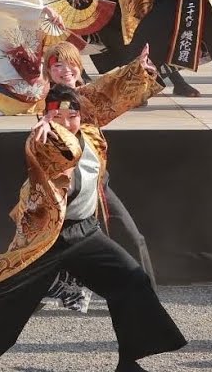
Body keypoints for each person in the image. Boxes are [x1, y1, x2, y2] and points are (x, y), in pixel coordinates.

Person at [0, 85, 185, 372]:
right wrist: (43, 133)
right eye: (57, 115)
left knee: (131, 280)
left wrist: (140, 73)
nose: (65, 121)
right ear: (45, 116)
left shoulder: (90, 133)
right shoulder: (43, 141)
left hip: (85, 233)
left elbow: (106, 95)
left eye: (71, 115)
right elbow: (50, 157)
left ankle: (129, 362)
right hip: (45, 238)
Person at [37, 41, 161, 313]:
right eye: (57, 65)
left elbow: (110, 87)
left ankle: (146, 296)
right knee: (44, 246)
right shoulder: (46, 101)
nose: (64, 70)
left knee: (131, 236)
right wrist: (46, 119)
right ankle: (29, 297)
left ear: (79, 68)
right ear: (48, 71)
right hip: (60, 190)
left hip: (95, 185)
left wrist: (137, 71)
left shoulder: (86, 97)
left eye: (70, 64)